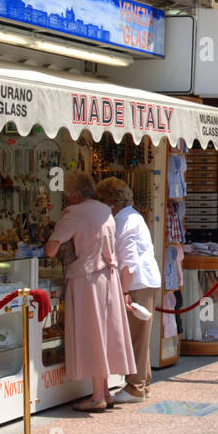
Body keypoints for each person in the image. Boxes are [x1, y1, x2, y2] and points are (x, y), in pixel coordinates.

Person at [45, 171, 135, 412]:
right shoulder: (104, 210)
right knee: (104, 333)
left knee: (92, 334)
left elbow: (52, 249)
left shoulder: (75, 213)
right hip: (108, 277)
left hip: (87, 278)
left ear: (74, 195)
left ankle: (97, 396)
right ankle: (104, 390)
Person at [96, 177, 161, 398]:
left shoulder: (124, 221)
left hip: (137, 284)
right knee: (141, 336)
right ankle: (143, 383)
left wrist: (124, 292)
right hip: (144, 281)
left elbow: (129, 263)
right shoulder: (132, 217)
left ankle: (135, 386)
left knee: (136, 337)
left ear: (110, 203)